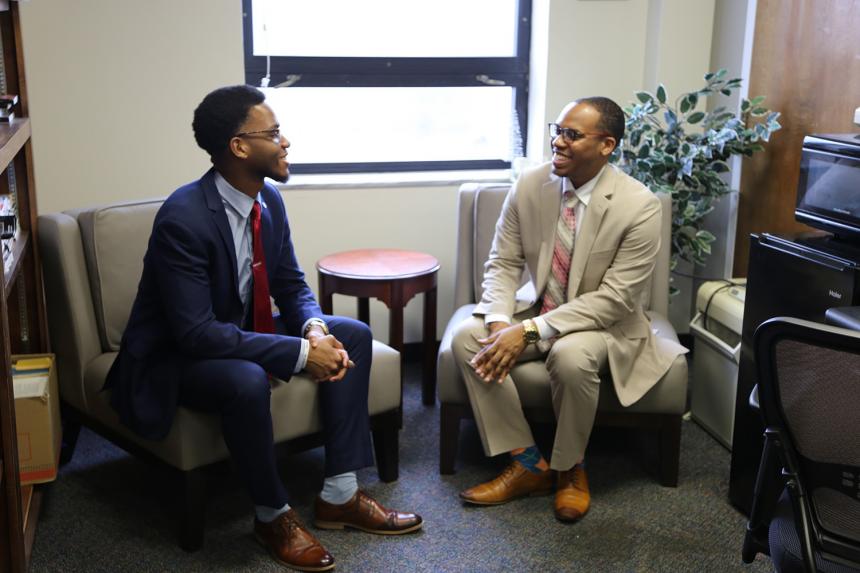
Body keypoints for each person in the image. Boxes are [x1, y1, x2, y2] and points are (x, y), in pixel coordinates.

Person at [105, 85, 421, 572]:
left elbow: (292, 284)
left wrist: (314, 331)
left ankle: (340, 494)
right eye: (272, 133)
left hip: (230, 331)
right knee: (246, 378)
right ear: (239, 146)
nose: (285, 142)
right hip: (174, 356)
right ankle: (272, 515)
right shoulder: (183, 218)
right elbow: (194, 333)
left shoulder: (267, 201)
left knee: (351, 333)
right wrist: (299, 355)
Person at [451, 97, 687, 522]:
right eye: (555, 131)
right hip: (540, 307)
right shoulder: (530, 184)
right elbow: (503, 263)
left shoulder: (640, 205)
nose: (557, 143)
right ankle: (527, 464)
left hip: (604, 325)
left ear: (606, 145)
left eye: (571, 135)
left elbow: (615, 299)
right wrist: (503, 323)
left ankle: (570, 467)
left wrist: (528, 332)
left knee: (571, 355)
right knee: (471, 336)